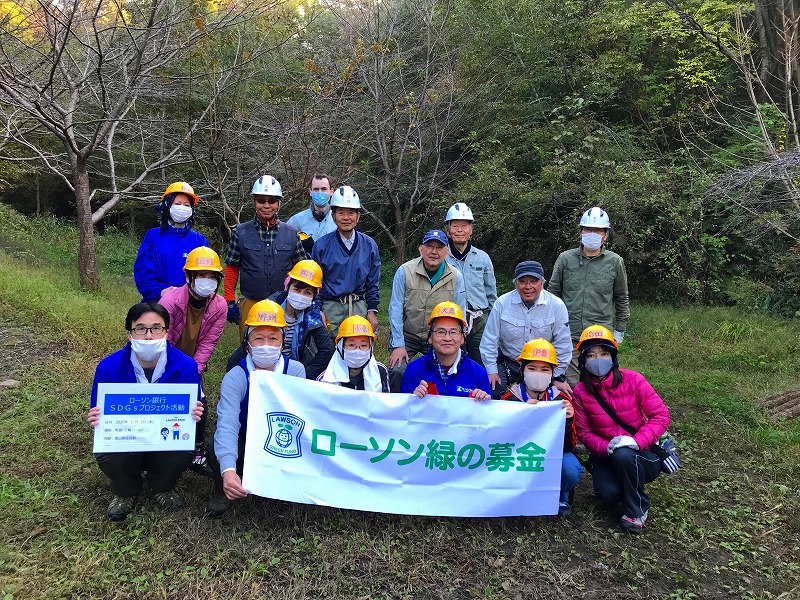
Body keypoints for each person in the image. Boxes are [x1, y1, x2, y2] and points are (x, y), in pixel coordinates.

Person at [86, 302, 204, 521]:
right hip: (128, 436)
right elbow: (99, 408)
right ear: (130, 333)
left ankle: (162, 486)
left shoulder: (186, 366)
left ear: (167, 332)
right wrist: (96, 418)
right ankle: (125, 491)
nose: (149, 336)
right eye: (140, 328)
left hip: (164, 437)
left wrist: (194, 414)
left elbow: (192, 407)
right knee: (106, 448)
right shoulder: (108, 368)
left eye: (156, 328)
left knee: (183, 446)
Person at [207, 300, 306, 518]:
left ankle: (281, 488)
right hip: (246, 439)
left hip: (282, 440)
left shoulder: (295, 371)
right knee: (215, 446)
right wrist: (228, 469)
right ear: (247, 343)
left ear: (282, 342)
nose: (266, 345)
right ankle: (226, 486)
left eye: (273, 338)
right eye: (258, 338)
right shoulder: (236, 376)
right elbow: (228, 423)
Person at [571, 325, 670, 534]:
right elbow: (584, 432)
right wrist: (605, 447)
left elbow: (661, 415)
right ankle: (624, 488)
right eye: (591, 355)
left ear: (613, 357)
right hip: (607, 455)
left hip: (642, 453)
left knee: (624, 454)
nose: (598, 360)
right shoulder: (580, 392)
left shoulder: (633, 380)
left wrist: (636, 441)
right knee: (607, 494)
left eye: (604, 353)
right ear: (583, 361)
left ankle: (637, 509)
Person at [159, 246, 227, 470]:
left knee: (199, 402)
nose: (207, 281)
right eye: (201, 275)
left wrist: (193, 371)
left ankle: (197, 450)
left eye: (211, 276)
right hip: (163, 359)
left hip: (191, 363)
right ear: (188, 276)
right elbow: (161, 340)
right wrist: (173, 370)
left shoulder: (219, 305)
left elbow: (209, 342)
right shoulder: (169, 301)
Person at [548, 207, 630, 385]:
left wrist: (620, 330)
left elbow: (621, 297)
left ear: (605, 235)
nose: (592, 234)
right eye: (588, 229)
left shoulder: (615, 262)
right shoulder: (565, 259)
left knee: (601, 383)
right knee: (570, 386)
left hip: (600, 336)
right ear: (581, 232)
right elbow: (552, 294)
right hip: (569, 334)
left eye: (598, 230)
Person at [500, 338, 582, 516]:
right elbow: (500, 439)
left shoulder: (562, 401)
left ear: (553, 373)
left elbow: (569, 446)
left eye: (545, 369)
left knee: (570, 468)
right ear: (522, 370)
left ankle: (560, 495)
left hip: (550, 455)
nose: (538, 373)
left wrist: (568, 421)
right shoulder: (509, 399)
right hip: (518, 456)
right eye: (532, 368)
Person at [223, 174, 307, 340]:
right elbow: (232, 269)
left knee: (283, 346)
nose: (266, 205)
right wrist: (229, 301)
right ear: (254, 202)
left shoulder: (292, 234)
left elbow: (302, 271)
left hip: (284, 303)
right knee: (249, 347)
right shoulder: (240, 232)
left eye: (272, 201)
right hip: (251, 302)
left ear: (278, 203)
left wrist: (302, 299)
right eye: (261, 200)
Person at [226, 260, 334, 381]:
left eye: (307, 292)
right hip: (263, 368)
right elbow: (247, 345)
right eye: (297, 290)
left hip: (293, 372)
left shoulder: (312, 316)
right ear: (287, 286)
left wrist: (304, 375)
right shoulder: (268, 307)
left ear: (314, 296)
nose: (301, 296)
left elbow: (326, 350)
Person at [480, 260, 572, 400]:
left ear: (542, 282)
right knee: (488, 391)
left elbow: (563, 345)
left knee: (560, 399)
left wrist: (557, 375)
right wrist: (491, 371)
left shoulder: (557, 305)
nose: (528, 286)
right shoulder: (502, 303)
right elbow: (489, 340)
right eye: (522, 281)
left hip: (541, 366)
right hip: (508, 364)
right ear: (515, 283)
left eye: (533, 281)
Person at [388, 230, 467, 392]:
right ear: (421, 249)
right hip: (408, 335)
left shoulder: (456, 276)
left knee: (444, 373)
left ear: (447, 251)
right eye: (429, 246)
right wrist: (398, 345)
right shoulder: (405, 271)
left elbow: (460, 313)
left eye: (439, 247)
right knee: (398, 370)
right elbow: (395, 309)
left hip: (439, 337)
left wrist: (457, 341)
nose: (434, 251)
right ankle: (398, 409)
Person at [310, 185, 381, 339]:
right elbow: (315, 282)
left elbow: (373, 282)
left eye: (351, 213)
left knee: (358, 353)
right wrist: (317, 310)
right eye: (341, 212)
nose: (346, 217)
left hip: (358, 307)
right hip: (330, 308)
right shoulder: (322, 245)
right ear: (333, 215)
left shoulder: (369, 245)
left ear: (358, 216)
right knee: (326, 354)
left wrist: (372, 310)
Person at [134, 182, 209, 302]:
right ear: (167, 206)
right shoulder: (153, 236)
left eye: (186, 205)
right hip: (157, 302)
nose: (182, 208)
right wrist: (160, 291)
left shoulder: (200, 241)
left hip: (189, 304)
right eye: (178, 204)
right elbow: (143, 271)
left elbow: (206, 275)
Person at [401, 302, 491, 400]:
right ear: (429, 336)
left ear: (463, 337)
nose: (447, 338)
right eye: (441, 332)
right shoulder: (414, 370)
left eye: (453, 332)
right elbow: (405, 411)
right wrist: (413, 398)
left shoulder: (478, 373)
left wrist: (484, 401)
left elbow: (488, 413)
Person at [443, 203, 497, 365]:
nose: (460, 230)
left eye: (464, 226)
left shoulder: (482, 257)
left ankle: (484, 389)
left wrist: (495, 320)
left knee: (482, 358)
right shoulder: (441, 257)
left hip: (480, 318)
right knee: (452, 358)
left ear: (471, 229)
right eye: (455, 226)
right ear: (448, 229)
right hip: (451, 317)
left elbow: (491, 292)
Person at [318, 315, 390, 392]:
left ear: (370, 348)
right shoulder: (326, 379)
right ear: (340, 347)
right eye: (351, 345)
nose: (357, 351)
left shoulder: (380, 371)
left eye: (363, 345)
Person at [286, 172, 337, 243]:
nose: (320, 192)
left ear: (331, 191)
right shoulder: (296, 221)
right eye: (316, 189)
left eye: (324, 189)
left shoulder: (338, 221)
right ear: (310, 192)